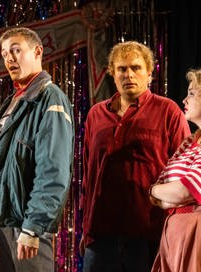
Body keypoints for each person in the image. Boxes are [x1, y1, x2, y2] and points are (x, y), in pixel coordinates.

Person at [80, 41, 191, 272]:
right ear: (112, 73)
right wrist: (85, 230)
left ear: (149, 72)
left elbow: (185, 172)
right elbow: (88, 176)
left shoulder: (168, 111)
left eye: (136, 68)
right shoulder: (96, 114)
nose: (128, 74)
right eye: (121, 69)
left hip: (148, 232)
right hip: (101, 232)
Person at [0, 27, 74, 271]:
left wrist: (33, 226)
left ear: (38, 51)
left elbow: (54, 169)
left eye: (16, 50)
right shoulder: (14, 101)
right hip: (7, 223)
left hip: (28, 224)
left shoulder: (49, 98)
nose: (9, 58)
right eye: (5, 53)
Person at [149, 69, 201, 272]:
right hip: (173, 233)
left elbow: (183, 191)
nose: (184, 99)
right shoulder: (190, 141)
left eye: (192, 93)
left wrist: (153, 189)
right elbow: (165, 192)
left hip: (195, 235)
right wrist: (159, 191)